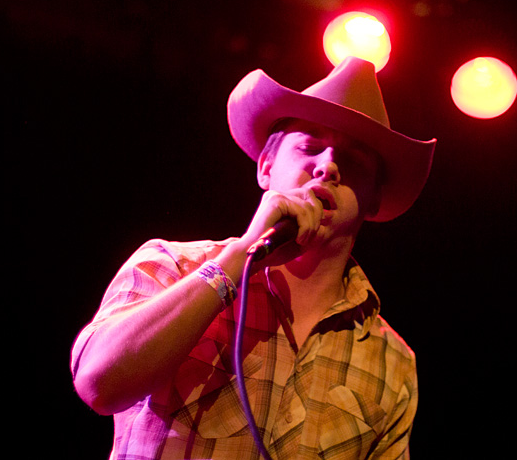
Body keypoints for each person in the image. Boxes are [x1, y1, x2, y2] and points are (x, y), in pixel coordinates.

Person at [71, 56, 436, 459]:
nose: (328, 166)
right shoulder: (172, 265)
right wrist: (240, 257)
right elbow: (98, 385)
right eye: (310, 147)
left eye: (353, 161)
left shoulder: (392, 360)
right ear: (266, 166)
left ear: (375, 197)